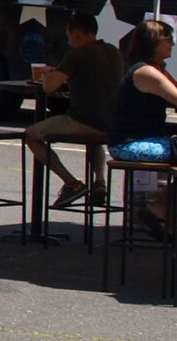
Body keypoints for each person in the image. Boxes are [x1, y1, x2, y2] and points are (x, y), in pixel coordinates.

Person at [106, 18, 177, 240]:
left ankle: (163, 213)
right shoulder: (145, 73)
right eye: (167, 40)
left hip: (147, 139)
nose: (172, 44)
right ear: (152, 43)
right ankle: (161, 211)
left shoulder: (158, 69)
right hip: (128, 144)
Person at [25, 11, 121, 207]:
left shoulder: (77, 54)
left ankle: (71, 183)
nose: (68, 42)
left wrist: (49, 73)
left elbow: (49, 87)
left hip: (82, 120)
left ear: (76, 33)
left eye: (69, 36)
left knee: (31, 135)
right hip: (111, 123)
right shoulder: (113, 51)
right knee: (95, 141)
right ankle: (99, 181)